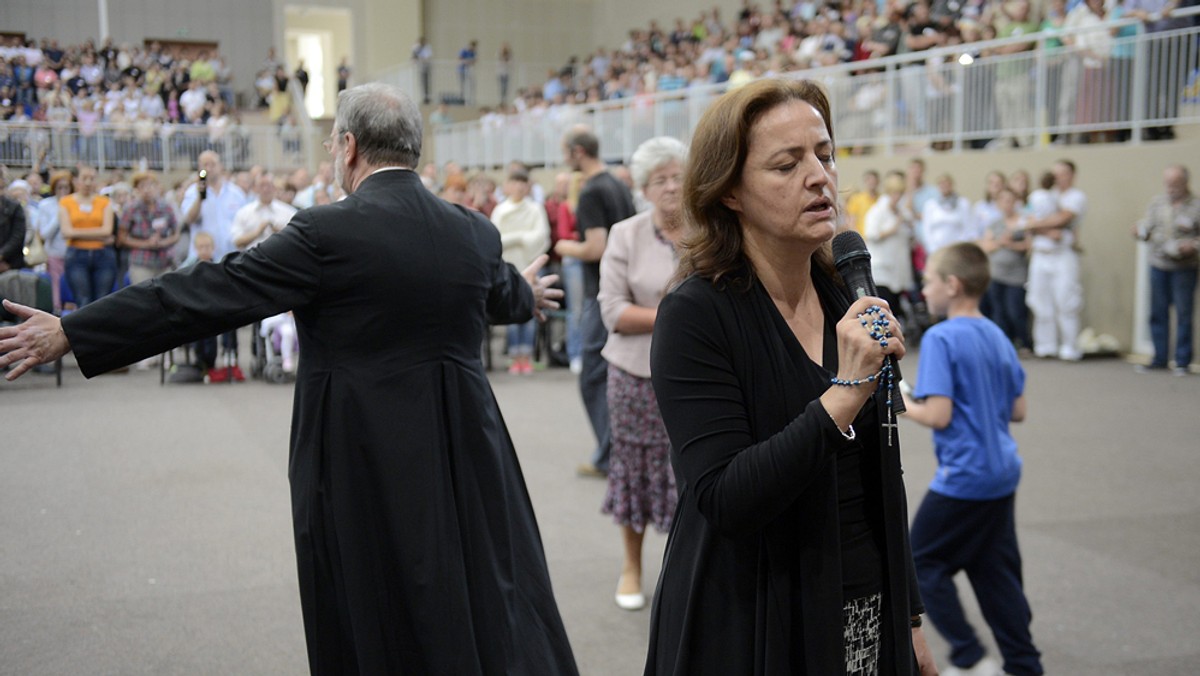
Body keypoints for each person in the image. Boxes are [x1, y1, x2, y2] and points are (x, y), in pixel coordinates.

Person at [0, 82, 575, 676]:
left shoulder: (325, 234)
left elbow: (202, 293)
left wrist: (76, 330)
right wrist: (524, 293)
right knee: (475, 584)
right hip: (467, 449)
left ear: (348, 148)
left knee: (369, 601)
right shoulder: (474, 232)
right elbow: (502, 292)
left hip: (362, 450)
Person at [644, 78, 935, 675]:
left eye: (824, 155)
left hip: (861, 597)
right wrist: (847, 389)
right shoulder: (695, 314)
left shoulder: (842, 292)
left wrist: (909, 615)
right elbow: (725, 497)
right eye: (786, 164)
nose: (819, 176)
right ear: (729, 192)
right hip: (756, 609)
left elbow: (885, 472)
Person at [901, 242, 1044, 676]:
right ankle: (1023, 664)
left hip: (964, 478)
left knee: (919, 564)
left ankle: (968, 657)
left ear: (952, 284)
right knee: (994, 571)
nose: (923, 290)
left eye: (928, 281)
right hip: (1002, 472)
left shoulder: (942, 337)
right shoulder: (997, 333)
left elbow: (939, 415)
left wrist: (900, 403)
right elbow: (1018, 410)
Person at [596, 136, 686, 612]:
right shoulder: (625, 234)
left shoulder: (709, 230)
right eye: (660, 179)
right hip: (633, 374)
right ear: (645, 189)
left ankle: (687, 568)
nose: (671, 186)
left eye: (677, 176)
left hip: (695, 374)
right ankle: (631, 565)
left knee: (693, 472)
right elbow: (612, 310)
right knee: (632, 469)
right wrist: (680, 316)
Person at [554, 127, 637, 478]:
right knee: (611, 374)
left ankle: (609, 455)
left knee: (593, 375)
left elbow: (596, 248)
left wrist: (564, 247)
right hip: (623, 288)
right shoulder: (617, 183)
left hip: (601, 294)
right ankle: (616, 451)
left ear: (577, 152)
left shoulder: (592, 190)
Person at [1133, 165, 1199, 374]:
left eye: (1175, 184)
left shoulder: (1196, 205)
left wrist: (1193, 246)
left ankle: (1182, 361)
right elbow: (1147, 229)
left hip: (1184, 268)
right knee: (1157, 312)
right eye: (1167, 184)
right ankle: (1159, 358)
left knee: (1183, 313)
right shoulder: (1157, 203)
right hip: (1159, 264)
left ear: (1184, 183)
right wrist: (1138, 231)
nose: (1170, 188)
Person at [489, 168, 550, 375]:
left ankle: (527, 356)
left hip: (530, 264)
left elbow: (540, 237)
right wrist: (521, 237)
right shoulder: (500, 210)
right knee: (512, 311)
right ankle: (515, 356)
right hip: (508, 267)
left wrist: (516, 238)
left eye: (523, 183)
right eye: (515, 182)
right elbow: (497, 239)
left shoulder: (535, 209)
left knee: (531, 309)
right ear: (507, 185)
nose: (519, 187)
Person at [1024, 159, 1086, 361]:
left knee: (1066, 301)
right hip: (1041, 254)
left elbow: (1063, 218)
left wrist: (1038, 225)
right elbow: (1028, 221)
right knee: (1040, 301)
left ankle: (1069, 346)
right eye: (1056, 173)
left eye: (1063, 173)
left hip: (1063, 255)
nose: (1059, 177)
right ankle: (1045, 345)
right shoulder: (1043, 195)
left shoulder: (1076, 197)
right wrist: (1042, 228)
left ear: (1072, 175)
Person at [980, 187, 1032, 350]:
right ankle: (1003, 345)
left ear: (1015, 202)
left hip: (1016, 275)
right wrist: (1001, 242)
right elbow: (986, 246)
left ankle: (1024, 342)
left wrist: (1011, 244)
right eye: (1002, 200)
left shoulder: (1024, 221)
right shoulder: (995, 223)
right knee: (998, 312)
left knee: (1015, 310)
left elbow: (1029, 245)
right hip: (996, 273)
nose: (1006, 204)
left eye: (1009, 200)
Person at [59, 166, 116, 307]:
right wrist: (98, 233)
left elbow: (107, 230)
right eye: (84, 178)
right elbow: (66, 232)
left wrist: (77, 233)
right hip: (76, 255)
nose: (88, 182)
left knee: (102, 301)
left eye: (92, 178)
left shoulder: (104, 202)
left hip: (103, 255)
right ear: (76, 180)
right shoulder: (66, 202)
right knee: (82, 300)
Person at [864, 171, 915, 312]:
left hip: (898, 271)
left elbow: (910, 236)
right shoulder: (877, 211)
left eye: (900, 193)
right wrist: (893, 228)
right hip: (882, 271)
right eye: (894, 193)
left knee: (896, 309)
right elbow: (871, 234)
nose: (897, 197)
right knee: (885, 308)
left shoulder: (902, 212)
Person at [118, 171, 180, 286]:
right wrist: (146, 244)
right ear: (136, 189)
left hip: (164, 261)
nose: (147, 190)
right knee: (144, 296)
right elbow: (122, 237)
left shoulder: (166, 207)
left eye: (150, 185)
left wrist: (163, 242)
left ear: (157, 186)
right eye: (142, 186)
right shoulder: (131, 209)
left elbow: (176, 233)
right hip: (141, 262)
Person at [232, 174, 297, 251]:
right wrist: (257, 232)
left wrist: (281, 233)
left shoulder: (288, 212)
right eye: (261, 185)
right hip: (251, 260)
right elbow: (237, 242)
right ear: (255, 188)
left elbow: (297, 239)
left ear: (274, 188)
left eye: (269, 185)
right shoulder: (244, 212)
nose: (265, 189)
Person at [845, 169, 880, 236]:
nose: (872, 183)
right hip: (862, 237)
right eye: (869, 180)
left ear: (878, 182)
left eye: (874, 181)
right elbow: (852, 221)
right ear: (865, 181)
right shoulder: (856, 199)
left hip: (878, 238)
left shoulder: (882, 199)